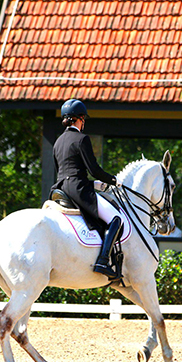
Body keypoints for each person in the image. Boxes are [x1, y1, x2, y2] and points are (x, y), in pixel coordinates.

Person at [52, 99, 123, 278]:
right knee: (116, 218)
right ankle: (103, 260)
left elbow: (65, 172)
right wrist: (113, 180)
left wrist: (92, 184)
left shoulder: (58, 142)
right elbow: (94, 170)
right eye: (84, 119)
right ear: (80, 118)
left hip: (60, 189)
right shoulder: (82, 139)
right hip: (78, 189)